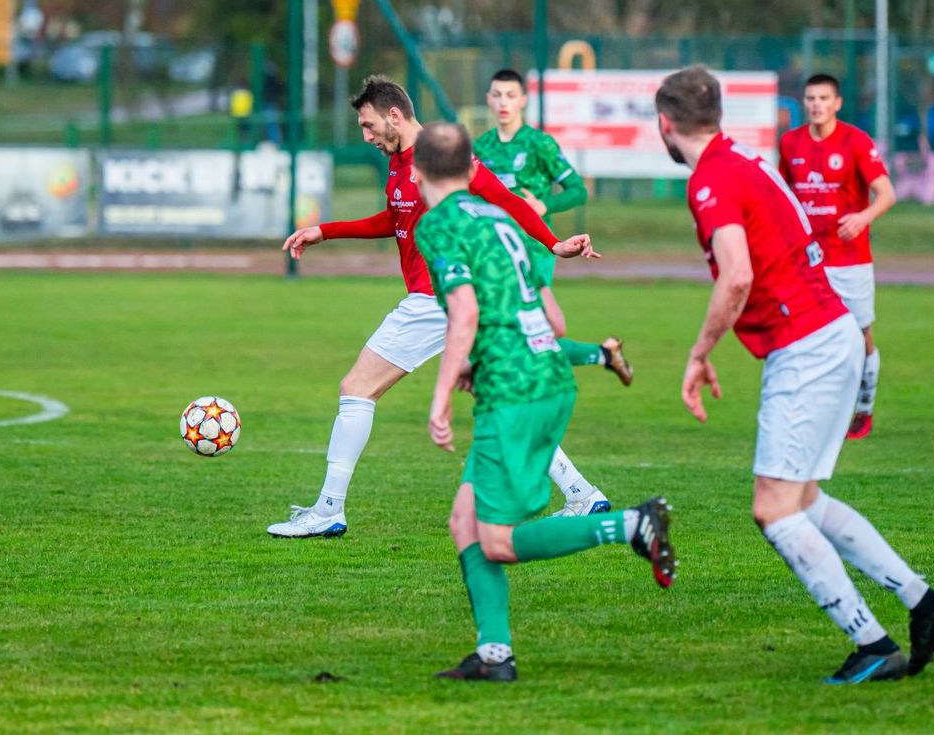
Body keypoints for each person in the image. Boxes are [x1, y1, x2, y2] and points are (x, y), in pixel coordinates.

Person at [656, 65, 934, 684]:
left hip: (808, 348)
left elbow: (736, 274)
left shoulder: (713, 178)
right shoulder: (744, 158)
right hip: (832, 334)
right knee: (804, 500)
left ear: (665, 124)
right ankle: (925, 603)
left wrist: (699, 351)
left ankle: (871, 643)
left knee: (773, 509)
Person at [268, 76, 602, 538]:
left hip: (436, 298)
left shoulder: (443, 158)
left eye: (367, 126)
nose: (365, 137)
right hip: (455, 297)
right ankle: (583, 495)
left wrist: (554, 243)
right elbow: (396, 216)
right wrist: (325, 231)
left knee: (356, 388)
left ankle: (328, 510)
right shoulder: (400, 159)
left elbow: (505, 200)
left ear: (393, 116)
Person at [411, 121, 676, 682]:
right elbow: (552, 319)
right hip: (550, 378)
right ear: (472, 170)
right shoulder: (502, 220)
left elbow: (464, 312)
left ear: (417, 172)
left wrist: (441, 393)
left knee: (497, 541)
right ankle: (494, 655)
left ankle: (630, 525)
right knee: (466, 521)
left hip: (514, 395)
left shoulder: (437, 224)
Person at [474, 67, 628, 515]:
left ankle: (567, 485)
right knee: (529, 352)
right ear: (489, 98)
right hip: (494, 261)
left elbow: (577, 190)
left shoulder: (539, 144)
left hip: (536, 255)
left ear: (523, 101)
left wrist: (545, 204)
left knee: (524, 355)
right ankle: (603, 354)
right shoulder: (480, 149)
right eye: (497, 94)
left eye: (511, 95)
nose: (504, 102)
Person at [779, 73, 897, 440]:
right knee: (804, 336)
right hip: (808, 261)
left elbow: (887, 194)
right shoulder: (790, 143)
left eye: (824, 98)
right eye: (811, 98)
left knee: (861, 336)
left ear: (837, 103)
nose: (817, 104)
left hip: (851, 259)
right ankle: (815, 409)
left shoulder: (855, 142)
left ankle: (864, 408)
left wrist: (862, 218)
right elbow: (781, 195)